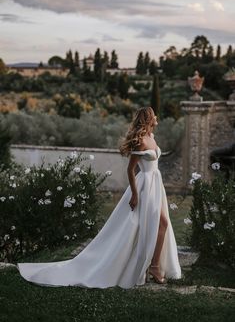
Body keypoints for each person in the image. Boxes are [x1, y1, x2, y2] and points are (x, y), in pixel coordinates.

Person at [17, 107, 181, 288]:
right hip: (144, 187)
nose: (157, 119)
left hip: (156, 185)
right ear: (149, 119)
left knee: (162, 224)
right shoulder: (140, 141)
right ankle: (153, 266)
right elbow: (130, 170)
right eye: (154, 116)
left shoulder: (152, 137)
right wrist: (135, 194)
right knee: (153, 224)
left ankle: (155, 265)